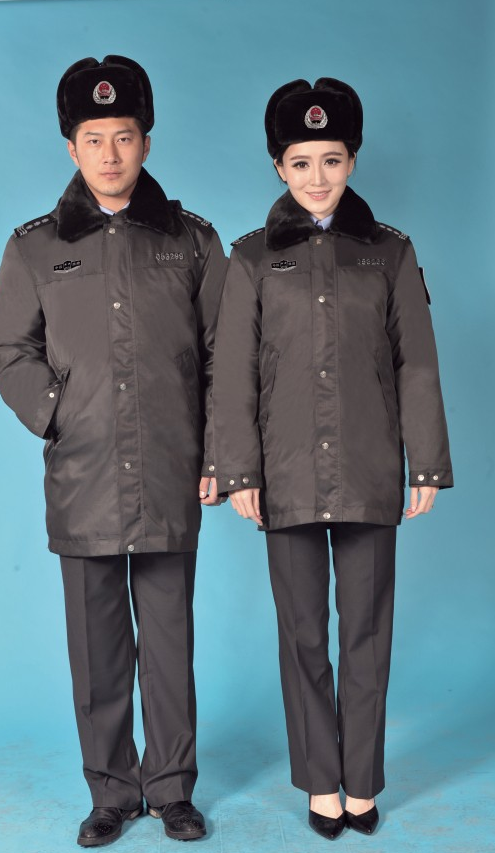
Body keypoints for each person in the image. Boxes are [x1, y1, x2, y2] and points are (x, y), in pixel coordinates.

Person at [0, 55, 227, 847]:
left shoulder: (192, 240)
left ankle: (173, 789)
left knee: (168, 640)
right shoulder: (34, 247)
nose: (110, 153)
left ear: (146, 142)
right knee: (96, 649)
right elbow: (5, 346)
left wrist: (215, 451)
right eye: (94, 139)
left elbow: (226, 352)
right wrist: (58, 414)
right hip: (82, 472)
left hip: (169, 468)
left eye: (124, 136)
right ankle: (112, 792)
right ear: (71, 147)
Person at [212, 78, 452, 840]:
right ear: (277, 166)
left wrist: (425, 463)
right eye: (300, 161)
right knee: (304, 634)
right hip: (282, 475)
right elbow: (232, 373)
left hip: (369, 467)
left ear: (352, 159)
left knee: (365, 633)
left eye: (331, 159)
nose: (316, 177)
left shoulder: (389, 252)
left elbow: (415, 362)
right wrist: (239, 469)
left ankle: (362, 780)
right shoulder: (250, 258)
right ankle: (321, 779)